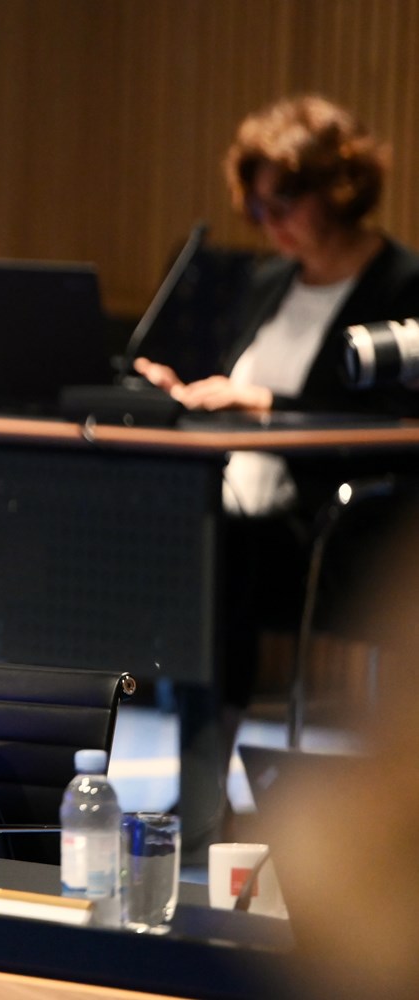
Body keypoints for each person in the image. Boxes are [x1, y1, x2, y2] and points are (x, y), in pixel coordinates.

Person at [133, 95, 419, 854]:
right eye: (257, 209)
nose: (270, 224)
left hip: (353, 526)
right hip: (248, 512)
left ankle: (199, 799)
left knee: (221, 559)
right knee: (184, 544)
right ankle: (195, 793)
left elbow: (393, 421)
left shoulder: (404, 286)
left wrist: (265, 404)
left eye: (284, 204)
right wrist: (178, 395)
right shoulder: (268, 283)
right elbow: (231, 387)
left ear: (339, 191)